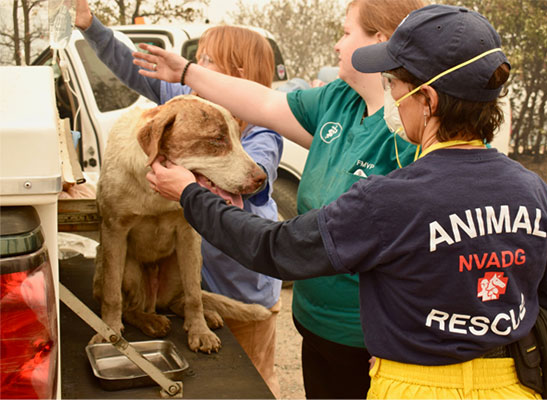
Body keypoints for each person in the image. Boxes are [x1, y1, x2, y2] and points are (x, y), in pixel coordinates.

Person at [143, 4, 547, 399]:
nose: (389, 94)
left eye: (394, 84)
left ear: (425, 101)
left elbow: (275, 248)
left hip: (413, 385)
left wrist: (188, 193)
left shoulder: (391, 199)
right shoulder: (531, 189)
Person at [133, 0, 425, 397]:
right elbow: (264, 102)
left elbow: (424, 254)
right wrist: (186, 72)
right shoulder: (339, 100)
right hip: (313, 324)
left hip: (372, 344)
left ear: (381, 40)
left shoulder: (412, 135)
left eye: (345, 32)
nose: (337, 46)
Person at [73, 2, 283, 397]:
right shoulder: (191, 103)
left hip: (246, 284)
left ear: (238, 76)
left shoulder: (264, 131)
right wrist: (91, 27)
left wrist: (208, 182)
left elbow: (255, 173)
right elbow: (133, 67)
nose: (193, 68)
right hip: (201, 282)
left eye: (205, 61)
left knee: (253, 380)